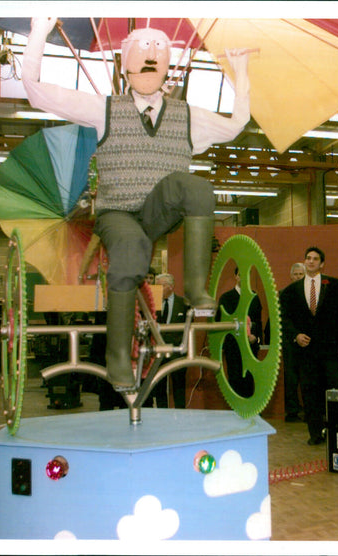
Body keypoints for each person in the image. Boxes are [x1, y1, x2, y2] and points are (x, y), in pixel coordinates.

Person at [22, 17, 250, 393]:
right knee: (130, 250)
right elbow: (36, 91)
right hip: (118, 213)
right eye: (141, 49)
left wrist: (239, 72)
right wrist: (39, 35)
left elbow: (236, 123)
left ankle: (195, 286)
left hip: (160, 211)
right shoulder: (103, 108)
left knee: (197, 189)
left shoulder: (187, 116)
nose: (150, 55)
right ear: (125, 63)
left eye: (158, 49)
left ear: (168, 63)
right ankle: (117, 360)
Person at [281, 247, 338, 445]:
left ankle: (336, 430)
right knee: (310, 392)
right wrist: (296, 335)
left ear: (322, 264)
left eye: (315, 259)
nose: (311, 262)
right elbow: (285, 318)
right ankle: (315, 433)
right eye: (308, 258)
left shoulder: (335, 286)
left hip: (329, 349)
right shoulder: (291, 290)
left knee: (333, 390)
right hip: (306, 351)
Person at [217, 267, 263, 398]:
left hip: (250, 347)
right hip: (233, 348)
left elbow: (258, 322)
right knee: (235, 378)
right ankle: (236, 412)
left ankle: (251, 412)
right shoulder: (226, 298)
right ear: (236, 277)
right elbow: (220, 322)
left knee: (250, 378)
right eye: (241, 275)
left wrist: (256, 338)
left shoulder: (254, 297)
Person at [153, 273, 189, 408]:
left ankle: (181, 415)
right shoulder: (152, 304)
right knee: (159, 388)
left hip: (177, 352)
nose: (158, 289)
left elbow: (188, 326)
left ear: (171, 287)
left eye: (161, 286)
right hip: (158, 352)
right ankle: (162, 415)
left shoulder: (184, 303)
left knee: (179, 387)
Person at [280, 262, 306, 422]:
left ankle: (309, 409)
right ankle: (291, 411)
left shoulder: (311, 293)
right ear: (291, 276)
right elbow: (282, 318)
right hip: (290, 341)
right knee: (290, 377)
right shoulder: (283, 293)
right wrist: (294, 335)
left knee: (307, 376)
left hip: (307, 341)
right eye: (295, 274)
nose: (297, 276)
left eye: (300, 274)